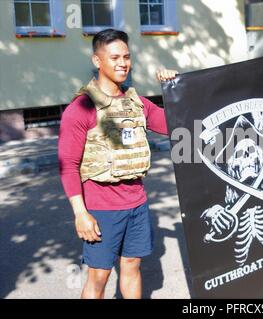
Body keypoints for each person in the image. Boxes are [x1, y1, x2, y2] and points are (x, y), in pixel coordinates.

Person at [58, 28, 177, 299]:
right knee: (99, 276)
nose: (122, 63)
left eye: (126, 56)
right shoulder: (81, 109)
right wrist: (80, 213)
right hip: (101, 208)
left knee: (132, 266)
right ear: (97, 61)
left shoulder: (138, 104)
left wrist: (172, 89)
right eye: (114, 57)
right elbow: (68, 165)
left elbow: (175, 124)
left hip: (137, 202)